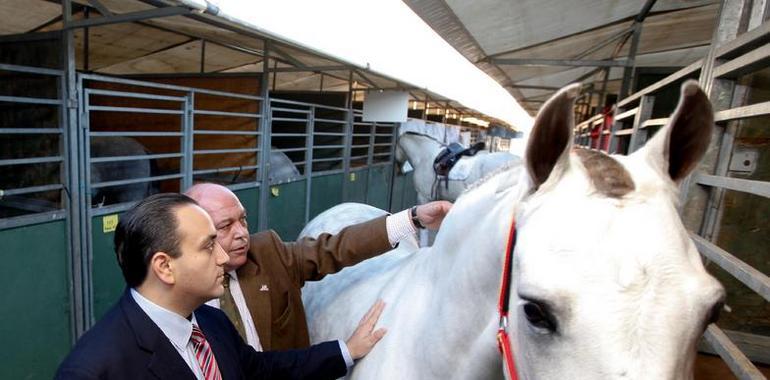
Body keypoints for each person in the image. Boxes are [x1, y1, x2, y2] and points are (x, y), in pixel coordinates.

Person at [55, 193, 387, 380]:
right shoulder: (91, 371)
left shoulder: (210, 322)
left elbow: (260, 370)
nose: (223, 255)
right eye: (209, 245)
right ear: (164, 267)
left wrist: (346, 351)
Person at [185, 183, 451, 351]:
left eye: (243, 220)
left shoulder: (267, 253)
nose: (242, 233)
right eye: (225, 226)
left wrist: (412, 218)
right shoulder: (173, 293)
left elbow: (337, 248)